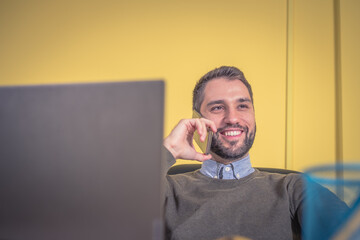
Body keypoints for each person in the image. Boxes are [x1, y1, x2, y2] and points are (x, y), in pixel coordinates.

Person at [162, 66, 348, 240]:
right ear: (197, 119)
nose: (233, 118)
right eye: (217, 107)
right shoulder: (165, 189)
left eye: (242, 106)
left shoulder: (295, 187)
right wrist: (169, 149)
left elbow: (350, 231)